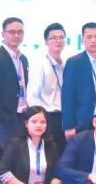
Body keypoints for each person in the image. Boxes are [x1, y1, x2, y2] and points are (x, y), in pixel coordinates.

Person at [62, 22, 96, 141]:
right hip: (82, 121)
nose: (93, 40)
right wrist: (68, 125)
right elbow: (67, 96)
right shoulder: (74, 62)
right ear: (82, 40)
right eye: (89, 37)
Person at [0, 17, 29, 144]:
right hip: (3, 122)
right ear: (3, 34)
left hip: (22, 118)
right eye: (12, 32)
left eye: (20, 32)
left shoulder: (23, 59)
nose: (16, 35)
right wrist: (3, 119)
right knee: (3, 156)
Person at [26, 23, 67, 152]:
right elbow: (33, 96)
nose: (58, 40)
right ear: (46, 42)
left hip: (65, 118)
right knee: (49, 156)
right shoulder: (39, 64)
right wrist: (40, 120)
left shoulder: (66, 65)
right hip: (48, 117)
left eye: (61, 37)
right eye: (53, 38)